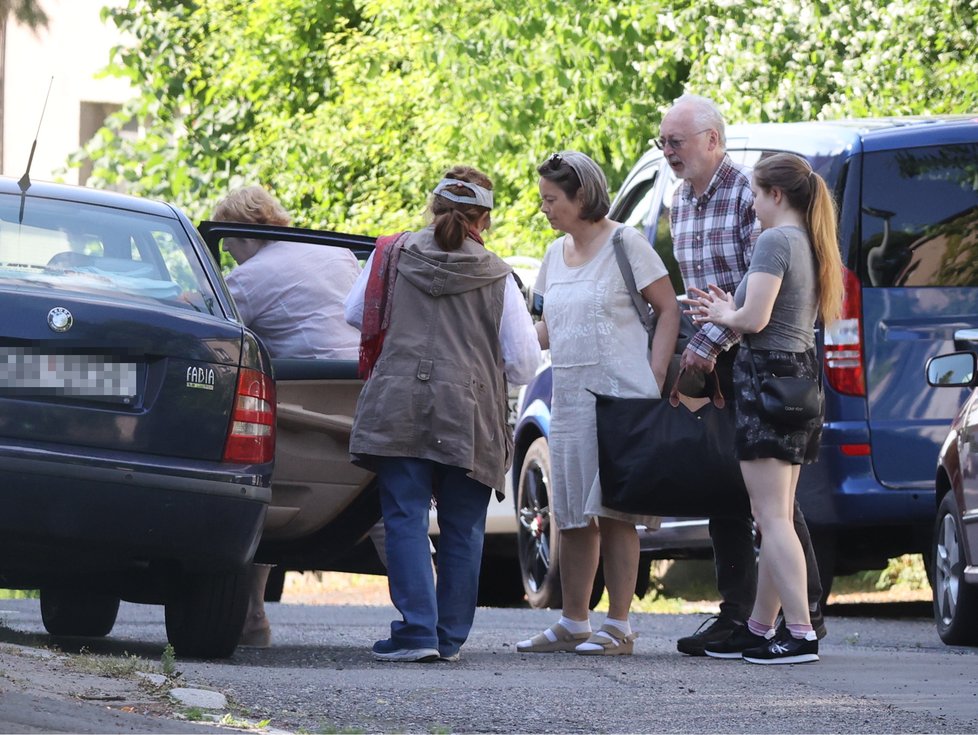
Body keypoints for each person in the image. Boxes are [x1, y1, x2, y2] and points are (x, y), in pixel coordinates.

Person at [345, 165, 540, 663]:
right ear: (486, 220)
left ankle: (416, 632)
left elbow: (353, 314)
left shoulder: (391, 254)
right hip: (469, 412)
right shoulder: (499, 275)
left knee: (405, 517)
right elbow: (522, 364)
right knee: (463, 526)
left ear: (432, 208)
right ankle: (449, 637)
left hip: (397, 402)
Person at [660, 94, 828, 656]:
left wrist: (708, 340)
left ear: (711, 139)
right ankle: (749, 621)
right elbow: (698, 291)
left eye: (676, 141)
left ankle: (804, 622)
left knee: (771, 506)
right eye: (663, 142)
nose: (668, 152)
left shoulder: (753, 206)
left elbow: (752, 301)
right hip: (739, 360)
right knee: (734, 495)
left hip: (752, 359)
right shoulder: (678, 200)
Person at [515, 151, 680, 656]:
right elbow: (545, 328)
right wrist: (508, 342)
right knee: (570, 514)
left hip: (620, 401)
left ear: (581, 196)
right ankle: (574, 620)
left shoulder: (626, 243)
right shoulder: (551, 254)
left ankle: (620, 625)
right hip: (567, 398)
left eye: (551, 198)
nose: (544, 207)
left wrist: (652, 375)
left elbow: (668, 308)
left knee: (615, 512)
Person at [213, 185, 362, 647]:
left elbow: (216, 331)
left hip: (301, 402)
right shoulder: (335, 252)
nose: (229, 254)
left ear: (244, 231)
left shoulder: (249, 278)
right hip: (360, 395)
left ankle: (253, 614)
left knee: (259, 491)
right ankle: (427, 619)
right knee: (387, 519)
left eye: (228, 243)